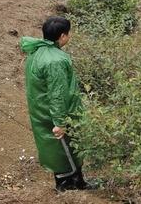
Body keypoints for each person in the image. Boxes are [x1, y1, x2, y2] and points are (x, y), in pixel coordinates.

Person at [20, 16, 91, 192]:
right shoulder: (55, 61)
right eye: (68, 33)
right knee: (62, 151)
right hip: (54, 114)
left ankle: (79, 183)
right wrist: (59, 122)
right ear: (62, 36)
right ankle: (67, 188)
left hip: (43, 111)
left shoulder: (38, 51)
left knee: (62, 149)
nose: (69, 36)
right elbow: (57, 95)